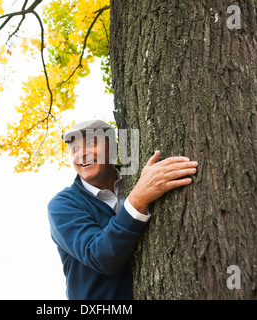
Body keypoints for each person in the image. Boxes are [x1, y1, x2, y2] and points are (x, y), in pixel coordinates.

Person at [47, 120, 199, 300]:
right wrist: (138, 199)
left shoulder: (139, 179)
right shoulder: (63, 205)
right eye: (74, 149)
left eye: (90, 144)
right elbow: (100, 256)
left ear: (112, 149)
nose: (81, 154)